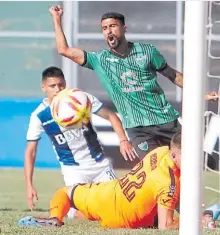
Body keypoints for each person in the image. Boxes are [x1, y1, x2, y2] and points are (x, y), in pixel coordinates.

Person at [49, 5, 218, 159]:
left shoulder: (147, 51)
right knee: (155, 171)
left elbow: (173, 75)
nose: (109, 31)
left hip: (165, 120)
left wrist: (201, 94)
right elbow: (64, 50)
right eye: (104, 28)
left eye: (113, 26)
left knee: (192, 162)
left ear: (124, 28)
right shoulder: (100, 60)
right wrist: (57, 20)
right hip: (137, 129)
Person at [24, 66, 136, 218]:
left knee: (120, 204)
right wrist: (29, 185)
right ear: (43, 87)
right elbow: (31, 151)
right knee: (81, 212)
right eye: (52, 86)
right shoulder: (39, 116)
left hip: (100, 165)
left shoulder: (81, 99)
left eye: (61, 84)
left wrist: (123, 140)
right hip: (74, 171)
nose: (58, 89)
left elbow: (112, 116)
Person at [19, 133, 182, 229]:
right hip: (122, 219)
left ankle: (55, 218)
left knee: (64, 193)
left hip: (108, 195)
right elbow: (165, 227)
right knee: (164, 220)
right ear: (174, 156)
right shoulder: (169, 183)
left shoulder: (161, 151)